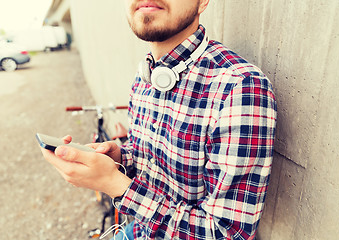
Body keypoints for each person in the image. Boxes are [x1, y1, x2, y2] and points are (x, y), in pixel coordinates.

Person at [40, 0, 277, 239]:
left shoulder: (240, 88)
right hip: (139, 230)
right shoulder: (146, 73)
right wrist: (121, 157)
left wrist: (114, 184)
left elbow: (227, 233)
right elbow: (147, 157)